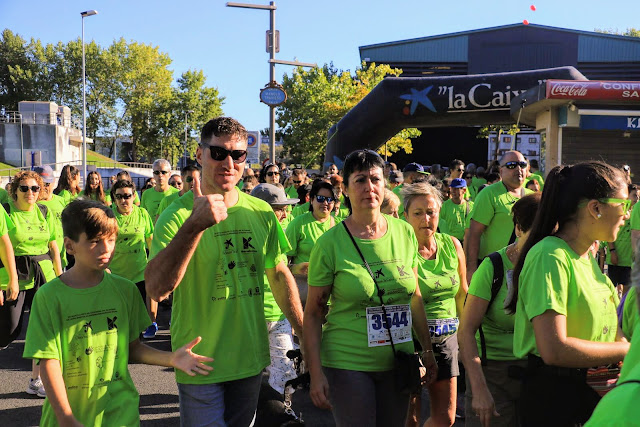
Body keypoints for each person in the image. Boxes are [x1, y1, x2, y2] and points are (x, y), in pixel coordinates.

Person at [146, 116, 304, 425]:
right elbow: (157, 289)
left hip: (249, 359)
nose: (228, 162)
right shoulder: (175, 216)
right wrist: (194, 227)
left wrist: (304, 336)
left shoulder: (259, 211)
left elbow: (279, 274)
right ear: (200, 154)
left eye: (238, 154)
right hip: (199, 362)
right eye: (218, 153)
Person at [22, 199, 213, 427]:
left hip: (122, 413)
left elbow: (131, 349)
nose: (106, 249)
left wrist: (171, 358)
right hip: (69, 418)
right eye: (94, 241)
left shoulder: (126, 290)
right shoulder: (49, 296)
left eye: (111, 240)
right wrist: (65, 417)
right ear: (70, 246)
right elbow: (49, 363)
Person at [304, 149, 437, 426]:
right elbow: (314, 314)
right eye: (360, 180)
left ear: (385, 184)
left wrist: (427, 350)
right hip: (347, 361)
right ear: (346, 190)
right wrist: (315, 373)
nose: (369, 188)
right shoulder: (329, 244)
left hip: (397, 360)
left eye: (375, 179)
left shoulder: (403, 232)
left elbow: (414, 296)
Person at [509, 161, 630, 426]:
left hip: (590, 395)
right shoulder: (550, 255)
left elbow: (611, 335)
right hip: (557, 400)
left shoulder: (588, 259)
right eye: (624, 205)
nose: (627, 215)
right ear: (595, 208)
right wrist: (626, 351)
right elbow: (554, 349)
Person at [459, 193, 541, 427]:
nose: (542, 243)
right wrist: (479, 390)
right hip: (491, 373)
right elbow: (465, 331)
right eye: (535, 234)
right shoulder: (492, 267)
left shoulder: (552, 265)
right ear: (518, 229)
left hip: (537, 373)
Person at [402, 181, 468, 426]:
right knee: (411, 419)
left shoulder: (453, 245)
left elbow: (462, 293)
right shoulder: (401, 250)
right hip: (411, 341)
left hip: (446, 339)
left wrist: (465, 337)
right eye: (418, 213)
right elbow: (413, 298)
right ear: (405, 216)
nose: (426, 219)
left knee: (446, 418)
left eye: (431, 212)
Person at [3, 170, 63, 397]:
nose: (30, 193)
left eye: (35, 188)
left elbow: (54, 247)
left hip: (44, 272)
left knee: (44, 327)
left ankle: (37, 380)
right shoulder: (7, 211)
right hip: (15, 273)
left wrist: (60, 278)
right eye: (25, 188)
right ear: (15, 191)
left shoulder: (44, 211)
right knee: (9, 327)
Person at [250, 183, 301, 395]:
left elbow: (280, 271)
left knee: (286, 373)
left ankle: (279, 413)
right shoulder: (244, 232)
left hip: (278, 315)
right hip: (250, 315)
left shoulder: (276, 230)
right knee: (247, 375)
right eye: (280, 208)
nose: (285, 213)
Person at [465, 151, 531, 280]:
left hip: (522, 268)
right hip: (492, 269)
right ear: (501, 171)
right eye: (512, 165)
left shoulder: (531, 196)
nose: (518, 169)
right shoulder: (489, 194)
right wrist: (471, 268)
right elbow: (474, 234)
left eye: (522, 165)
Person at [286, 179, 337, 306]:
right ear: (312, 199)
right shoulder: (298, 223)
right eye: (321, 198)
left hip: (332, 295)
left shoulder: (340, 226)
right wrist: (296, 268)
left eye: (330, 199)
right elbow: (281, 262)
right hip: (304, 294)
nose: (325, 203)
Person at [110, 179, 154, 308]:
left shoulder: (142, 213)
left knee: (137, 314)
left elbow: (150, 240)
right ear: (114, 197)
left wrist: (154, 263)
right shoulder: (108, 215)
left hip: (140, 273)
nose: (123, 200)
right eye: (119, 197)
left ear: (134, 196)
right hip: (116, 274)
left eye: (127, 196)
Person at [604, 183, 636, 294]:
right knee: (611, 290)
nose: (637, 199)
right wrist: (613, 252)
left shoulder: (635, 214)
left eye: (638, 196)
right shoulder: (619, 212)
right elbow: (609, 233)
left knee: (626, 294)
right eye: (634, 196)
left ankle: (622, 311)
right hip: (615, 260)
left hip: (628, 262)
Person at [35, 165, 68, 269]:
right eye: (40, 184)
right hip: (42, 258)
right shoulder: (31, 204)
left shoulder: (61, 201)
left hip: (61, 256)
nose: (44, 187)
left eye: (47, 184)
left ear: (54, 182)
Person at [439, 178, 473, 243]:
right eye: (452, 189)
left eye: (456, 189)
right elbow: (440, 224)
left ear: (464, 190)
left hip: (466, 243)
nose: (453, 191)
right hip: (449, 242)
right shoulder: (444, 206)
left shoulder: (472, 206)